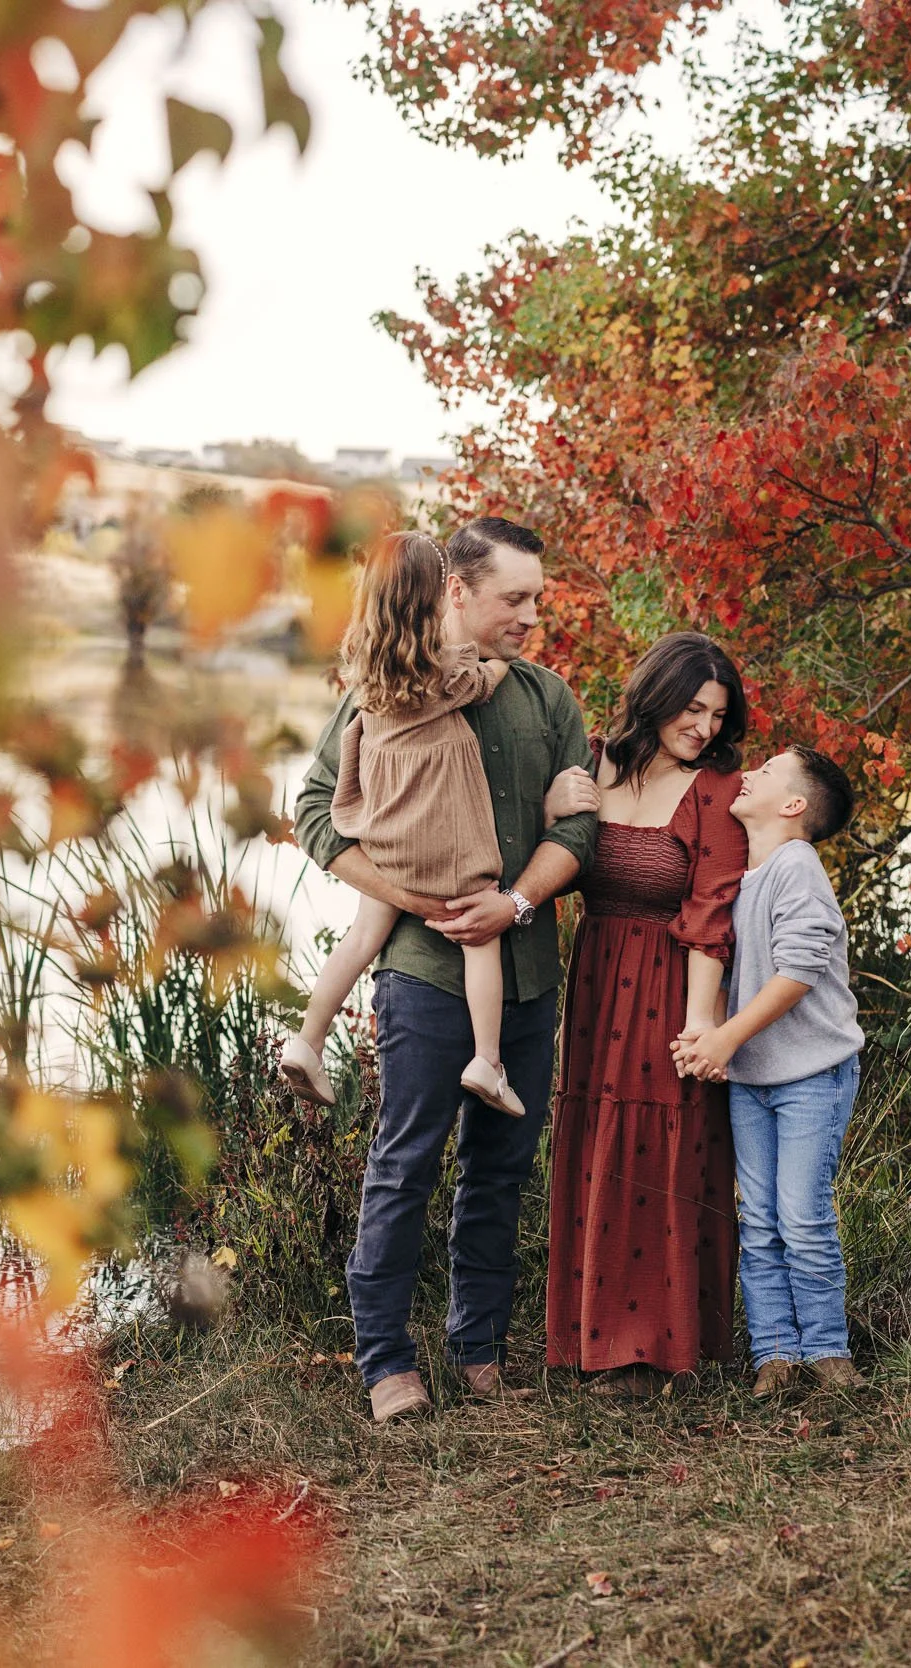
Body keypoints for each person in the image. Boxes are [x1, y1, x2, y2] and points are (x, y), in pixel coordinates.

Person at [292, 516, 598, 1426]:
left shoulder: (548, 700)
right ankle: (387, 1362)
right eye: (516, 598)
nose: (533, 616)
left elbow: (579, 830)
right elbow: (315, 812)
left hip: (527, 972)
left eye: (538, 598)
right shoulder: (386, 683)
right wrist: (412, 897)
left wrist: (520, 901)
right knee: (405, 1166)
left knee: (500, 1169)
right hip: (424, 973)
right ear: (456, 592)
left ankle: (480, 1349)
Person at [539, 632, 750, 1398]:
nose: (705, 728)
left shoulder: (717, 791)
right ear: (655, 695)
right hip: (596, 979)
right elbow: (544, 860)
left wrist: (699, 1028)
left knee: (663, 1145)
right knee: (597, 1138)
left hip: (671, 980)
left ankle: (658, 1346)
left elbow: (710, 915)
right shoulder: (591, 762)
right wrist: (549, 807)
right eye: (693, 708)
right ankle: (589, 1338)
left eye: (718, 715)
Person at [280, 533, 526, 1119]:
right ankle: (487, 1062)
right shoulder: (447, 669)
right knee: (481, 933)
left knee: (362, 938)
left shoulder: (368, 671)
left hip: (388, 838)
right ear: (439, 596)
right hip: (447, 843)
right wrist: (497, 664)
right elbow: (487, 683)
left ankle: (308, 1040)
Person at [673, 746, 866, 1397]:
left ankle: (827, 1352)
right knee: (758, 1220)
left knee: (802, 1217)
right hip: (755, 1080)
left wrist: (724, 1038)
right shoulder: (742, 875)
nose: (748, 772)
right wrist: (710, 1033)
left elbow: (797, 974)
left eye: (767, 770)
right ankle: (775, 1356)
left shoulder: (796, 865)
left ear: (793, 805)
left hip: (812, 1074)